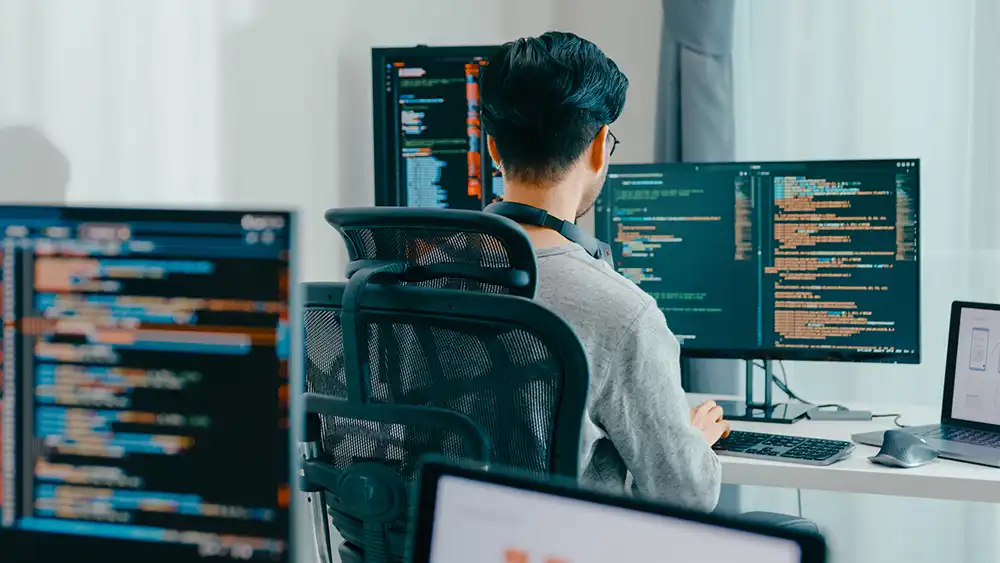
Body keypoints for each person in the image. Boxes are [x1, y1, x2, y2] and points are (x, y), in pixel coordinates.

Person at [480, 31, 728, 511]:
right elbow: (688, 497)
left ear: (493, 149)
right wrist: (691, 439)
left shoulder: (410, 274)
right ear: (598, 147)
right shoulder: (622, 313)